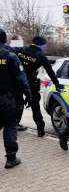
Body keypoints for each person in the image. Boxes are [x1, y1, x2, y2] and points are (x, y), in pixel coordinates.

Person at [15, 36, 63, 137]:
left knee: (18, 103)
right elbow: (50, 72)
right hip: (31, 83)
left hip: (17, 81)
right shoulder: (41, 56)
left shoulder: (21, 50)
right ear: (40, 45)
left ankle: (15, 124)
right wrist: (57, 85)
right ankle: (40, 129)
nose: (44, 47)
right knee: (35, 106)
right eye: (44, 45)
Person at [0, 29, 32, 168]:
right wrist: (29, 96)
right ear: (5, 39)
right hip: (7, 99)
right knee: (10, 126)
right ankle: (11, 158)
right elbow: (21, 79)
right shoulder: (10, 56)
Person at [8, 35, 28, 131]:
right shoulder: (12, 54)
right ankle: (15, 124)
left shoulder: (11, 52)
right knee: (18, 104)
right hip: (14, 86)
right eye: (20, 42)